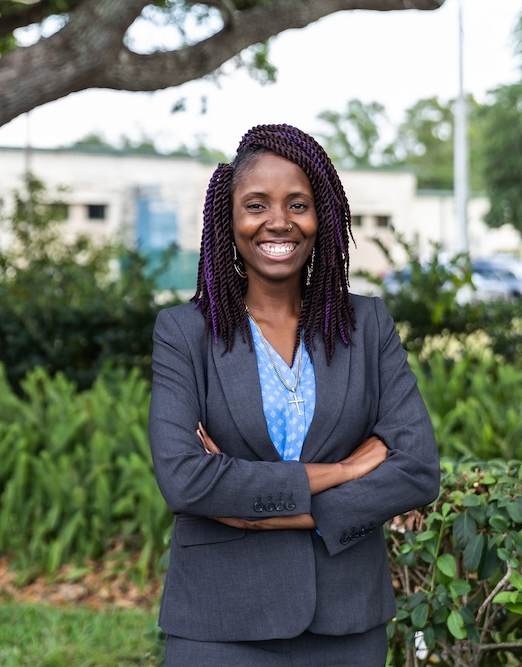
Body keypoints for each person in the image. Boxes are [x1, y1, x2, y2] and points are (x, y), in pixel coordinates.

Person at [148, 123, 440, 666]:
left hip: (346, 621)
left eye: (297, 204)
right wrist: (348, 471)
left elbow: (417, 469)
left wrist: (260, 510)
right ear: (228, 217)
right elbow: (185, 480)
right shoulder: (184, 333)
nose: (278, 222)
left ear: (321, 216)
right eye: (256, 204)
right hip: (219, 624)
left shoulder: (368, 324)